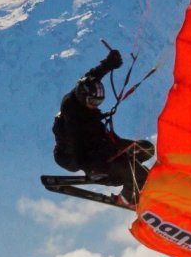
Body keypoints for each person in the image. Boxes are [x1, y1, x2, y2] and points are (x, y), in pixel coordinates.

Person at [52, 47, 154, 206]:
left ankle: (129, 172)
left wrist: (109, 63)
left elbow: (91, 77)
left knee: (147, 148)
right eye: (92, 102)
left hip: (104, 146)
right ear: (83, 97)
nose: (95, 105)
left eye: (99, 102)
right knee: (139, 174)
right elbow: (76, 149)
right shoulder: (73, 121)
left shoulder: (80, 93)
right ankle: (127, 198)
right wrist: (92, 170)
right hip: (90, 159)